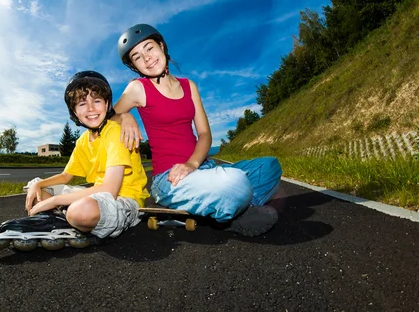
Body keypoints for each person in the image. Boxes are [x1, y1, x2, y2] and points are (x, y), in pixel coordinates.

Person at [113, 23, 281, 237]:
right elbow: (105, 119)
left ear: (162, 46)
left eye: (149, 48)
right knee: (236, 183)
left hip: (202, 167)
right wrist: (125, 116)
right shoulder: (137, 88)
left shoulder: (189, 86)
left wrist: (192, 164)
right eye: (137, 57)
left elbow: (204, 134)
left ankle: (233, 209)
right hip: (169, 177)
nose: (146, 58)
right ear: (134, 66)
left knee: (270, 166)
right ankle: (231, 208)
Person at [24, 70, 150, 239]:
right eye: (82, 104)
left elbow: (110, 190)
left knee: (80, 211)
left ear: (106, 105)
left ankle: (67, 215)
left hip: (123, 199)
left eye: (96, 101)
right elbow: (66, 176)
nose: (91, 108)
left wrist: (55, 201)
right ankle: (67, 216)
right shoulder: (83, 140)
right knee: (36, 188)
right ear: (75, 112)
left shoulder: (115, 132)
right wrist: (37, 186)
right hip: (97, 196)